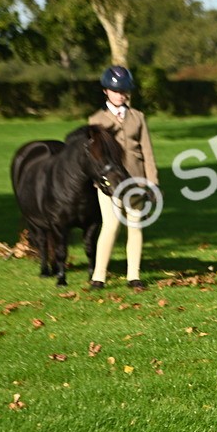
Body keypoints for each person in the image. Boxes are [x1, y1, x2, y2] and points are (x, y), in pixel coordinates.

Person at [88, 65, 158, 290]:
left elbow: (147, 151)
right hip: (110, 183)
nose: (121, 95)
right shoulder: (96, 120)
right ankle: (99, 276)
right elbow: (93, 155)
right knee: (111, 225)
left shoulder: (138, 117)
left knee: (136, 226)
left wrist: (153, 181)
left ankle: (133, 276)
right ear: (106, 91)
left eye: (125, 91)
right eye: (116, 91)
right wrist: (98, 181)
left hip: (137, 180)